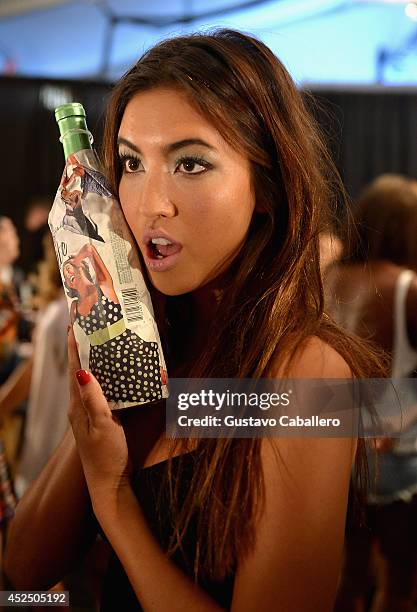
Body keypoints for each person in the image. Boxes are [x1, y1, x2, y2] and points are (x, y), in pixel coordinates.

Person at [4, 29, 384, 611]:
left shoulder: (310, 376)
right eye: (131, 162)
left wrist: (115, 498)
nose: (152, 203)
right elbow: (24, 571)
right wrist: (105, 397)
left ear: (267, 186)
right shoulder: (163, 348)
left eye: (189, 163)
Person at [327, 174, 417, 612]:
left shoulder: (327, 281)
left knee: (346, 576)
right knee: (400, 583)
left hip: (335, 450)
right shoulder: (407, 287)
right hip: (395, 455)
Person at [62, 242, 162, 405]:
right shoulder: (74, 307)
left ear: (83, 268)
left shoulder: (103, 286)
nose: (69, 272)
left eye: (73, 267)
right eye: (67, 275)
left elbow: (89, 248)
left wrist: (76, 260)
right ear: (69, 285)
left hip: (128, 352)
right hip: (101, 362)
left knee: (147, 398)